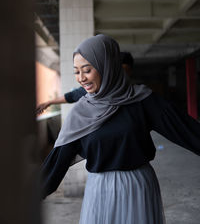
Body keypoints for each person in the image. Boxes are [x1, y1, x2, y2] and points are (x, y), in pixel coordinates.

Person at [41, 34, 200, 224]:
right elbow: (57, 161)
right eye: (76, 72)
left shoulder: (142, 100)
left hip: (138, 187)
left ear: (106, 66)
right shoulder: (80, 114)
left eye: (87, 70)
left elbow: (186, 131)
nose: (81, 78)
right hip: (99, 191)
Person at [36, 51, 134, 115]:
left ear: (130, 71)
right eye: (77, 72)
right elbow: (71, 96)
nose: (82, 78)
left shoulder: (137, 94)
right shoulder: (97, 90)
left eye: (125, 71)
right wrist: (49, 102)